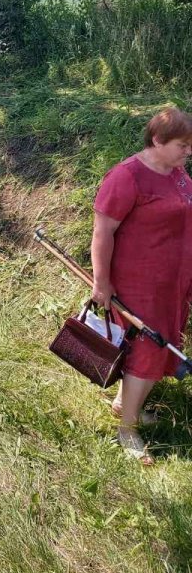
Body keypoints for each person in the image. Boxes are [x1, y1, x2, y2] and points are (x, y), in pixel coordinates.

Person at [91, 107, 192, 465]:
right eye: (182, 145)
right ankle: (127, 429)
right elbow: (103, 232)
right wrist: (101, 282)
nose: (188, 152)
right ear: (157, 140)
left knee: (163, 346)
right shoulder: (127, 177)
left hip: (173, 281)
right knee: (147, 350)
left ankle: (125, 404)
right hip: (140, 283)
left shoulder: (177, 174)